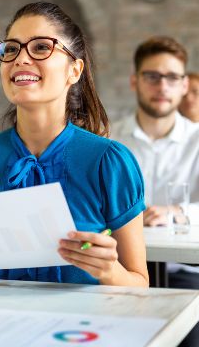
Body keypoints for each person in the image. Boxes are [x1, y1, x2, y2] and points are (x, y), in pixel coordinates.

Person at [0, 2, 149, 287]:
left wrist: (109, 272)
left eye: (41, 47)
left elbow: (140, 285)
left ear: (75, 70)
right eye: (11, 49)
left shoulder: (109, 162)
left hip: (82, 328)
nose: (20, 59)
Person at [111, 37, 199, 346]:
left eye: (172, 77)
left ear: (185, 85)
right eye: (152, 76)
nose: (162, 86)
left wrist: (177, 211)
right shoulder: (108, 141)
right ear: (135, 81)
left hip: (186, 271)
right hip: (118, 269)